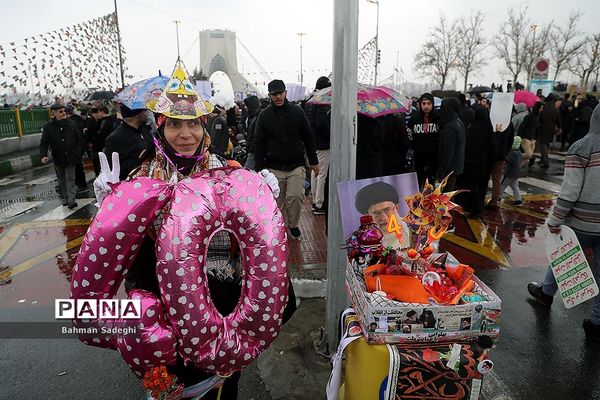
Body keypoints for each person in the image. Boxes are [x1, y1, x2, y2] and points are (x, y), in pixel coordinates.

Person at [94, 61, 290, 399]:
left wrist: (265, 199)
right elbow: (120, 257)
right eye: (174, 125)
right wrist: (111, 211)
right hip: (162, 304)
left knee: (224, 384)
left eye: (193, 125)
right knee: (174, 386)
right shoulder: (141, 177)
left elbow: (253, 246)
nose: (186, 135)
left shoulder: (228, 172)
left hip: (221, 297)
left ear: (204, 127)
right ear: (160, 128)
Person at [528, 104, 600, 340]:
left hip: (581, 221)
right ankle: (596, 322)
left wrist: (556, 218)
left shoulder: (582, 147)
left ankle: (546, 293)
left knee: (565, 256)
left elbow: (570, 190)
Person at [254, 79, 319, 239]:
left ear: (285, 93)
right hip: (273, 166)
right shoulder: (264, 116)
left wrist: (314, 161)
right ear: (269, 95)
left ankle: (293, 224)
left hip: (296, 164)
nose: (278, 97)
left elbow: (308, 137)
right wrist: (259, 170)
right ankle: (280, 226)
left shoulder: (297, 112)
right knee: (278, 201)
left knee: (296, 196)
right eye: (274, 94)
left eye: (280, 93)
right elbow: (259, 143)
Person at [39, 103, 83, 209]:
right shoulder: (48, 127)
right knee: (62, 180)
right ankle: (66, 198)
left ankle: (71, 200)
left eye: (64, 111)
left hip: (72, 156)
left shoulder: (71, 124)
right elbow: (44, 142)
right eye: (60, 111)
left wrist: (79, 152)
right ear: (53, 113)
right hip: (58, 157)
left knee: (70, 179)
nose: (63, 113)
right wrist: (43, 155)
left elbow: (79, 139)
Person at [455, 107, 495, 217]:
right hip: (485, 165)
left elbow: (468, 147)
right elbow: (493, 147)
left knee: (471, 187)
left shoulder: (473, 128)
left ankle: (475, 208)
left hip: (472, 165)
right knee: (481, 186)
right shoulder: (489, 129)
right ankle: (479, 207)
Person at [103, 104, 153, 180]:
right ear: (137, 114)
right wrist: (139, 158)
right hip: (132, 184)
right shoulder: (115, 138)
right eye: (144, 111)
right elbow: (114, 169)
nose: (147, 114)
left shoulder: (144, 131)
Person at [304, 76, 332, 215]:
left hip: (313, 142)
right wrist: (331, 136)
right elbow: (322, 124)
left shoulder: (311, 100)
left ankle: (315, 200)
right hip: (323, 143)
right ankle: (319, 204)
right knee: (322, 174)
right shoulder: (323, 102)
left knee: (316, 172)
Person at [354, 181, 410, 249]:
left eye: (387, 210)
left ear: (397, 208)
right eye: (376, 213)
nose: (384, 218)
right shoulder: (362, 244)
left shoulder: (415, 227)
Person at [407, 93, 440, 188]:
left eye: (429, 103)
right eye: (424, 103)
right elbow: (409, 135)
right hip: (418, 154)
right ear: (420, 105)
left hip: (433, 154)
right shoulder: (414, 119)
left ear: (432, 104)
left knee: (431, 181)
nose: (426, 106)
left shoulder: (438, 118)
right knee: (418, 178)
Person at [436, 97, 465, 191]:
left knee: (446, 198)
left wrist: (441, 174)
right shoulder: (458, 122)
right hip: (455, 168)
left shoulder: (450, 127)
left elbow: (448, 153)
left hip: (449, 170)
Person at [535, 94, 561, 169]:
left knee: (543, 145)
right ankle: (542, 160)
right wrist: (559, 128)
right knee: (546, 144)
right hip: (551, 129)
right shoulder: (556, 109)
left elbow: (539, 118)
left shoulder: (544, 108)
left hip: (542, 128)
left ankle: (545, 161)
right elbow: (559, 121)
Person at [500, 136, 523, 206]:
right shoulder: (519, 152)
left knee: (503, 185)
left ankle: (498, 197)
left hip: (509, 173)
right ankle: (518, 200)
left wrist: (505, 156)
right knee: (515, 186)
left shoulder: (513, 153)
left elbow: (510, 161)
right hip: (516, 174)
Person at [520, 102, 543, 167]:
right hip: (526, 138)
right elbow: (522, 127)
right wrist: (520, 137)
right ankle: (513, 158)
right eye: (540, 108)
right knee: (528, 154)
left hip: (532, 139)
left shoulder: (538, 117)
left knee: (529, 156)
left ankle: (518, 166)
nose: (541, 110)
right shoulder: (529, 116)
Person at [243, 95, 261, 170]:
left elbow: (256, 135)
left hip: (254, 151)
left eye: (246, 105)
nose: (245, 107)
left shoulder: (258, 117)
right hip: (253, 150)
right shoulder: (252, 117)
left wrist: (251, 147)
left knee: (246, 172)